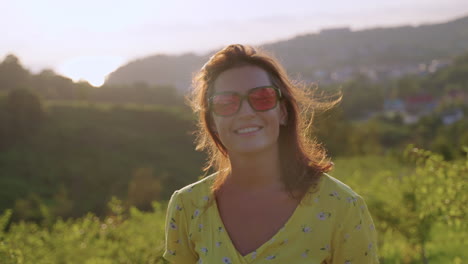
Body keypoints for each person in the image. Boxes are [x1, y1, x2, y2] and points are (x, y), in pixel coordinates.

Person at [163, 44, 379, 263]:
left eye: (262, 98)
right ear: (212, 122)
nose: (246, 112)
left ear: (283, 112)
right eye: (226, 103)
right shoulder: (188, 206)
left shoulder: (342, 207)